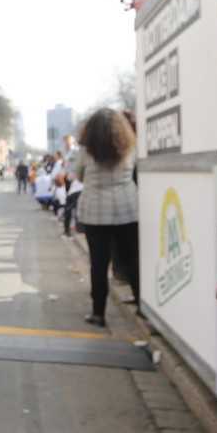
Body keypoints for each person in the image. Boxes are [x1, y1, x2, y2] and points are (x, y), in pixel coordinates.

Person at [74, 108, 139, 328]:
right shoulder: (130, 148)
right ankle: (141, 304)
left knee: (99, 265)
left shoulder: (86, 151)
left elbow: (79, 176)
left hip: (96, 213)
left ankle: (98, 313)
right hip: (127, 209)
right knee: (132, 259)